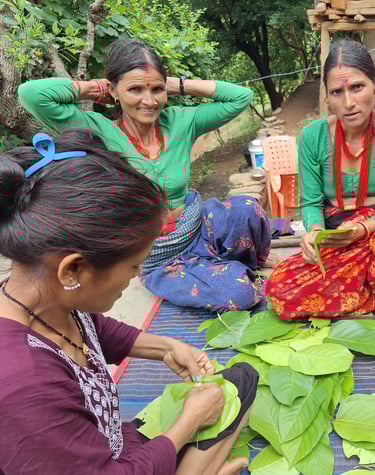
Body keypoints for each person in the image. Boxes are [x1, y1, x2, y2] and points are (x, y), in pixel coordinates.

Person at [0, 129, 258, 474]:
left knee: (240, 382)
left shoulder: (41, 297)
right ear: (74, 269)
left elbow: (94, 330)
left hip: (101, 447)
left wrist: (167, 347)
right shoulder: (25, 384)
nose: (136, 277)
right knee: (210, 410)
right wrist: (187, 424)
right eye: (133, 266)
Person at [17, 38, 271, 314]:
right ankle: (216, 272)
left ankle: (231, 264)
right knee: (238, 293)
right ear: (115, 91)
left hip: (196, 228)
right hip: (156, 254)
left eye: (156, 89)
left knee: (245, 208)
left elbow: (241, 97)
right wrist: (93, 88)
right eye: (135, 89)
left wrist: (176, 85)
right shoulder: (97, 131)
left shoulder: (181, 122)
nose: (149, 101)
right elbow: (32, 94)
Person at [266, 39, 375, 320]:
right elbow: (312, 202)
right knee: (280, 288)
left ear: (374, 86)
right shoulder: (313, 137)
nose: (348, 102)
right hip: (338, 237)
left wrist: (363, 228)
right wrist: (314, 232)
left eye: (357, 87)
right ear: (327, 97)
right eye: (337, 92)